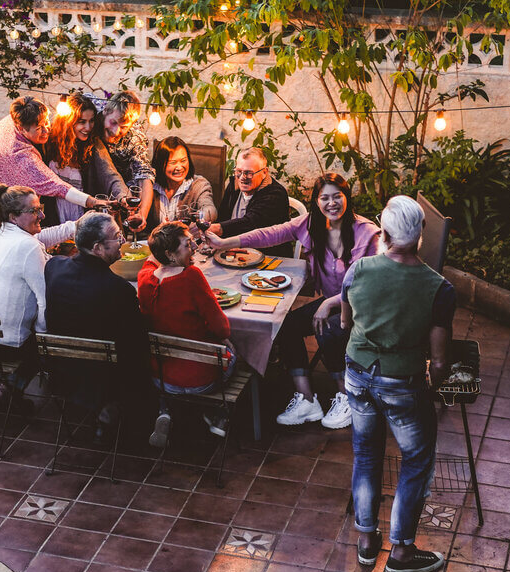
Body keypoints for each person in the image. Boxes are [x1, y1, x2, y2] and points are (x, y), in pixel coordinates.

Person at [205, 173, 381, 429]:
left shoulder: (367, 234)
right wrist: (224, 242)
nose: (331, 203)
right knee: (286, 326)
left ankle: (348, 397)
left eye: (337, 196)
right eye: (324, 198)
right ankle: (307, 400)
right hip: (333, 307)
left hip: (364, 311)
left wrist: (328, 304)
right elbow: (268, 234)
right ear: (317, 202)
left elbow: (369, 286)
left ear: (347, 198)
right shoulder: (313, 224)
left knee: (327, 330)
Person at [340, 195, 454, 572]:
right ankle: (402, 552)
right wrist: (434, 388)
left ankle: (367, 540)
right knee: (416, 459)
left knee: (367, 454)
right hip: (401, 383)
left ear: (384, 233)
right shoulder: (439, 287)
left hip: (357, 374)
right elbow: (438, 360)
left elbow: (345, 322)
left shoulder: (358, 270)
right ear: (421, 233)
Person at [0, 184, 76, 401]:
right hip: (0, 345)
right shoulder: (28, 246)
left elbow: (40, 239)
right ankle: (10, 391)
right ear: (13, 217)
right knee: (41, 343)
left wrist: (74, 227)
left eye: (40, 207)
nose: (42, 214)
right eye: (34, 211)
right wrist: (43, 339)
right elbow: (44, 302)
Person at [44, 212, 151, 441]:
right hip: (104, 376)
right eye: (116, 237)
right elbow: (138, 341)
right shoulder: (119, 289)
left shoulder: (54, 267)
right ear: (97, 248)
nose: (121, 241)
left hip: (61, 370)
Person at [137, 222, 233, 447]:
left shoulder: (145, 278)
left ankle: (166, 410)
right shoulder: (191, 277)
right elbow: (222, 329)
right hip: (201, 379)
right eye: (187, 245)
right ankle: (217, 412)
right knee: (233, 351)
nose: (194, 249)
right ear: (170, 254)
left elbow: (149, 263)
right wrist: (226, 340)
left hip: (161, 378)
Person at [0, 96, 107, 228]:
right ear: (21, 128)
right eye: (39, 128)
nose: (46, 131)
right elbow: (56, 186)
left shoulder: (11, 119)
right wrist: (93, 202)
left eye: (46, 123)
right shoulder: (19, 156)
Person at [44, 93, 129, 224]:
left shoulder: (93, 144)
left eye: (91, 121)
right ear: (68, 121)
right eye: (82, 122)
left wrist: (123, 196)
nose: (88, 127)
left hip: (83, 215)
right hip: (54, 214)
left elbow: (110, 174)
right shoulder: (49, 143)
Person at [204, 147, 289, 255]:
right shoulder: (234, 185)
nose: (242, 177)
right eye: (239, 171)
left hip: (267, 257)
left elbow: (250, 223)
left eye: (249, 173)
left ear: (264, 172)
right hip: (232, 253)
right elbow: (223, 216)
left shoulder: (276, 194)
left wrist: (216, 228)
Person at [92, 90, 156, 230]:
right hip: (89, 183)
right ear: (105, 111)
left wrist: (142, 215)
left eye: (123, 127)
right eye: (113, 122)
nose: (116, 131)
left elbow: (145, 175)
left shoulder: (135, 137)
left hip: (120, 196)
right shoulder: (94, 111)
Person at [145, 137, 218, 230]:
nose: (179, 167)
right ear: (160, 164)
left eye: (183, 161)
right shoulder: (150, 185)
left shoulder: (199, 184)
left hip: (186, 242)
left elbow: (209, 207)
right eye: (173, 162)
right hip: (152, 243)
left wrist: (203, 217)